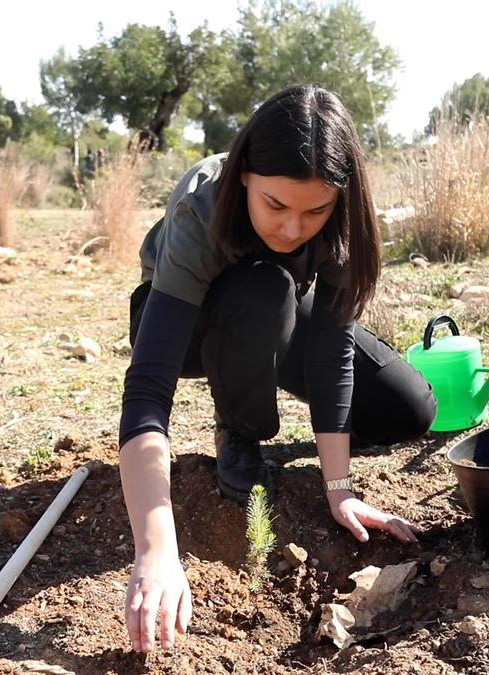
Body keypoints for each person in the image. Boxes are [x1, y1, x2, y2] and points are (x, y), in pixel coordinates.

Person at [118, 85, 436, 654]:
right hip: (187, 322)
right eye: (276, 206)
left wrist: (339, 491)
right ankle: (239, 429)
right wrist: (156, 546)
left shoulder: (342, 221)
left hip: (279, 310)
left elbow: (332, 352)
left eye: (314, 210)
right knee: (262, 289)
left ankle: (272, 390)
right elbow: (148, 385)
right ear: (244, 176)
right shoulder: (203, 204)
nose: (293, 229)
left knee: (408, 409)